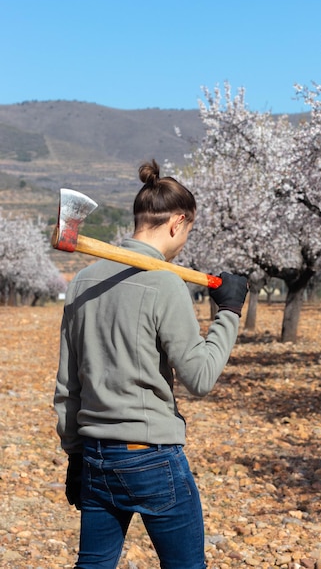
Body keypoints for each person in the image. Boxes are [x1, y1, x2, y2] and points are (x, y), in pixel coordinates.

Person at [54, 159, 248, 569]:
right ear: (178, 222)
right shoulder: (165, 282)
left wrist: (75, 456)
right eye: (188, 231)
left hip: (95, 456)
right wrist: (229, 311)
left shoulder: (83, 282)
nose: (184, 242)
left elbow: (68, 385)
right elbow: (200, 377)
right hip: (151, 455)